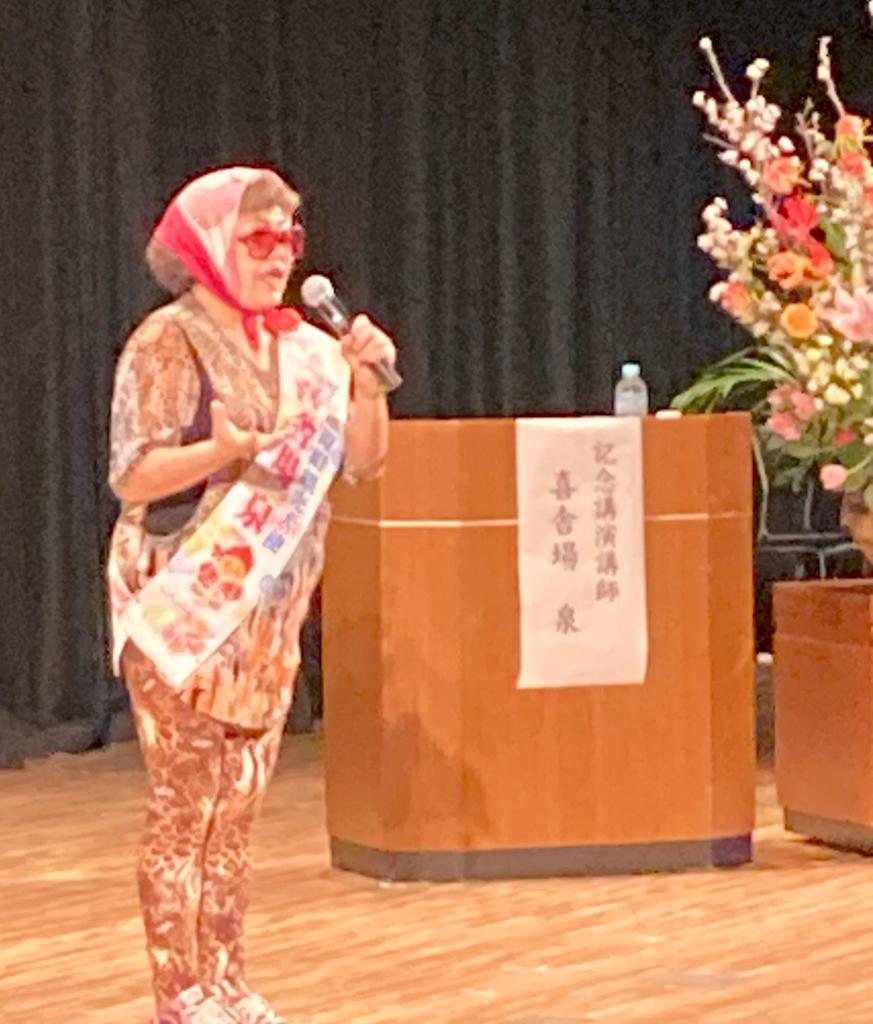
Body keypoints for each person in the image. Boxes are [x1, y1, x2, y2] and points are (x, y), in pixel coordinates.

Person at [107, 166, 396, 1024]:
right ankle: (179, 993)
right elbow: (134, 477)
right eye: (258, 238)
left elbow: (365, 461)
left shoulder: (309, 350)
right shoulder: (168, 340)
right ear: (205, 247)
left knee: (236, 815)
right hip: (185, 607)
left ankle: (228, 984)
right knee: (185, 810)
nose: (280, 256)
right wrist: (219, 452)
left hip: (268, 621)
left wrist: (367, 384)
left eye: (289, 239)